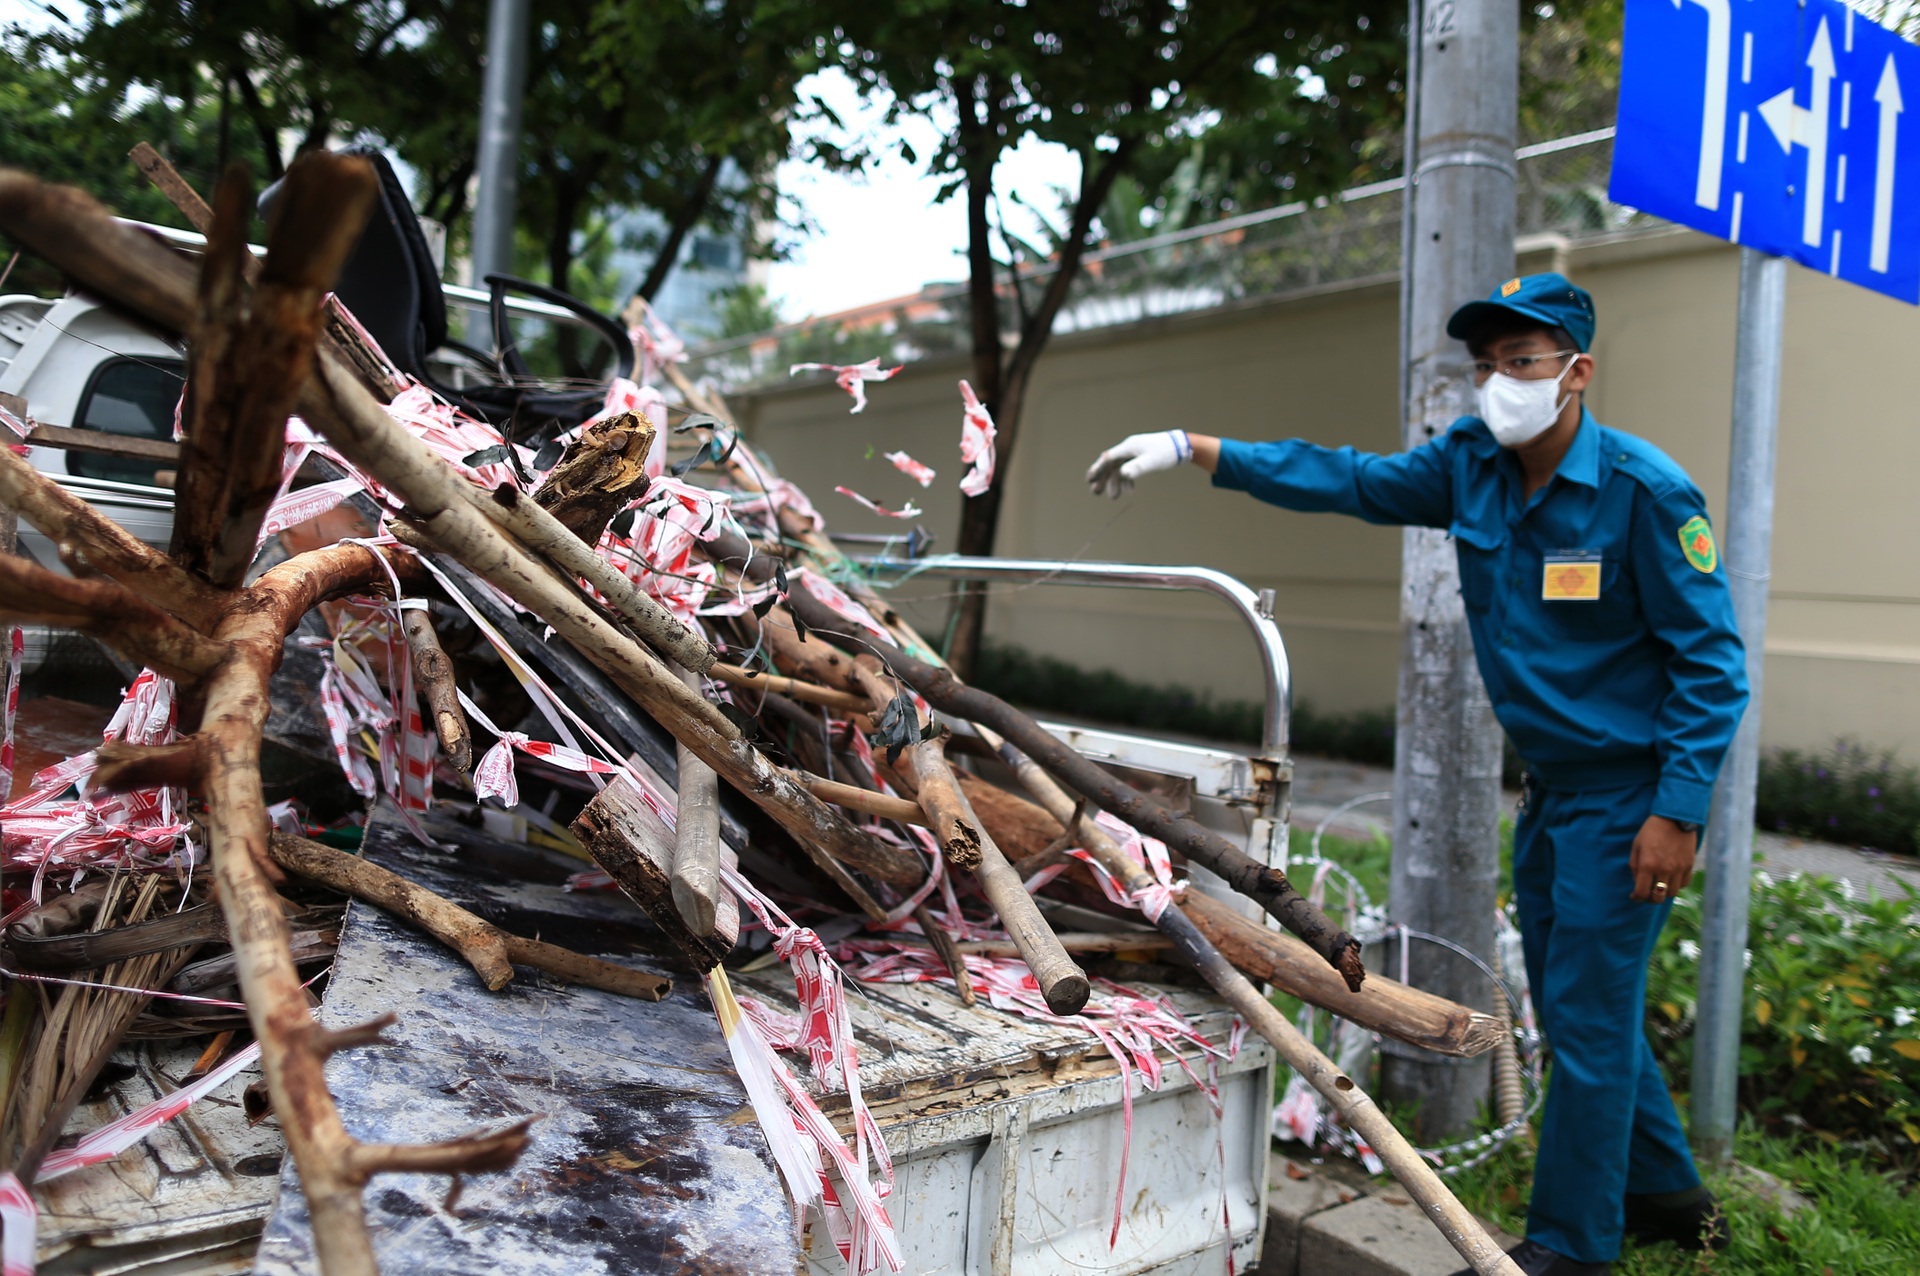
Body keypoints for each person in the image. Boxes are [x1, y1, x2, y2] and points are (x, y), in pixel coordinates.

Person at [1086, 274, 1748, 1276]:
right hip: (1555, 791)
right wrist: (1194, 448)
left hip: (1631, 792)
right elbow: (1346, 479)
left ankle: (1574, 1244)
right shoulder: (1472, 467)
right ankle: (1667, 1194)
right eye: (1485, 365)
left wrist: (1679, 810)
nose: (1499, 383)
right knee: (1582, 1009)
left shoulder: (1645, 495)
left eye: (1522, 360)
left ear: (1579, 370)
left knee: (1592, 1016)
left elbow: (1712, 664)